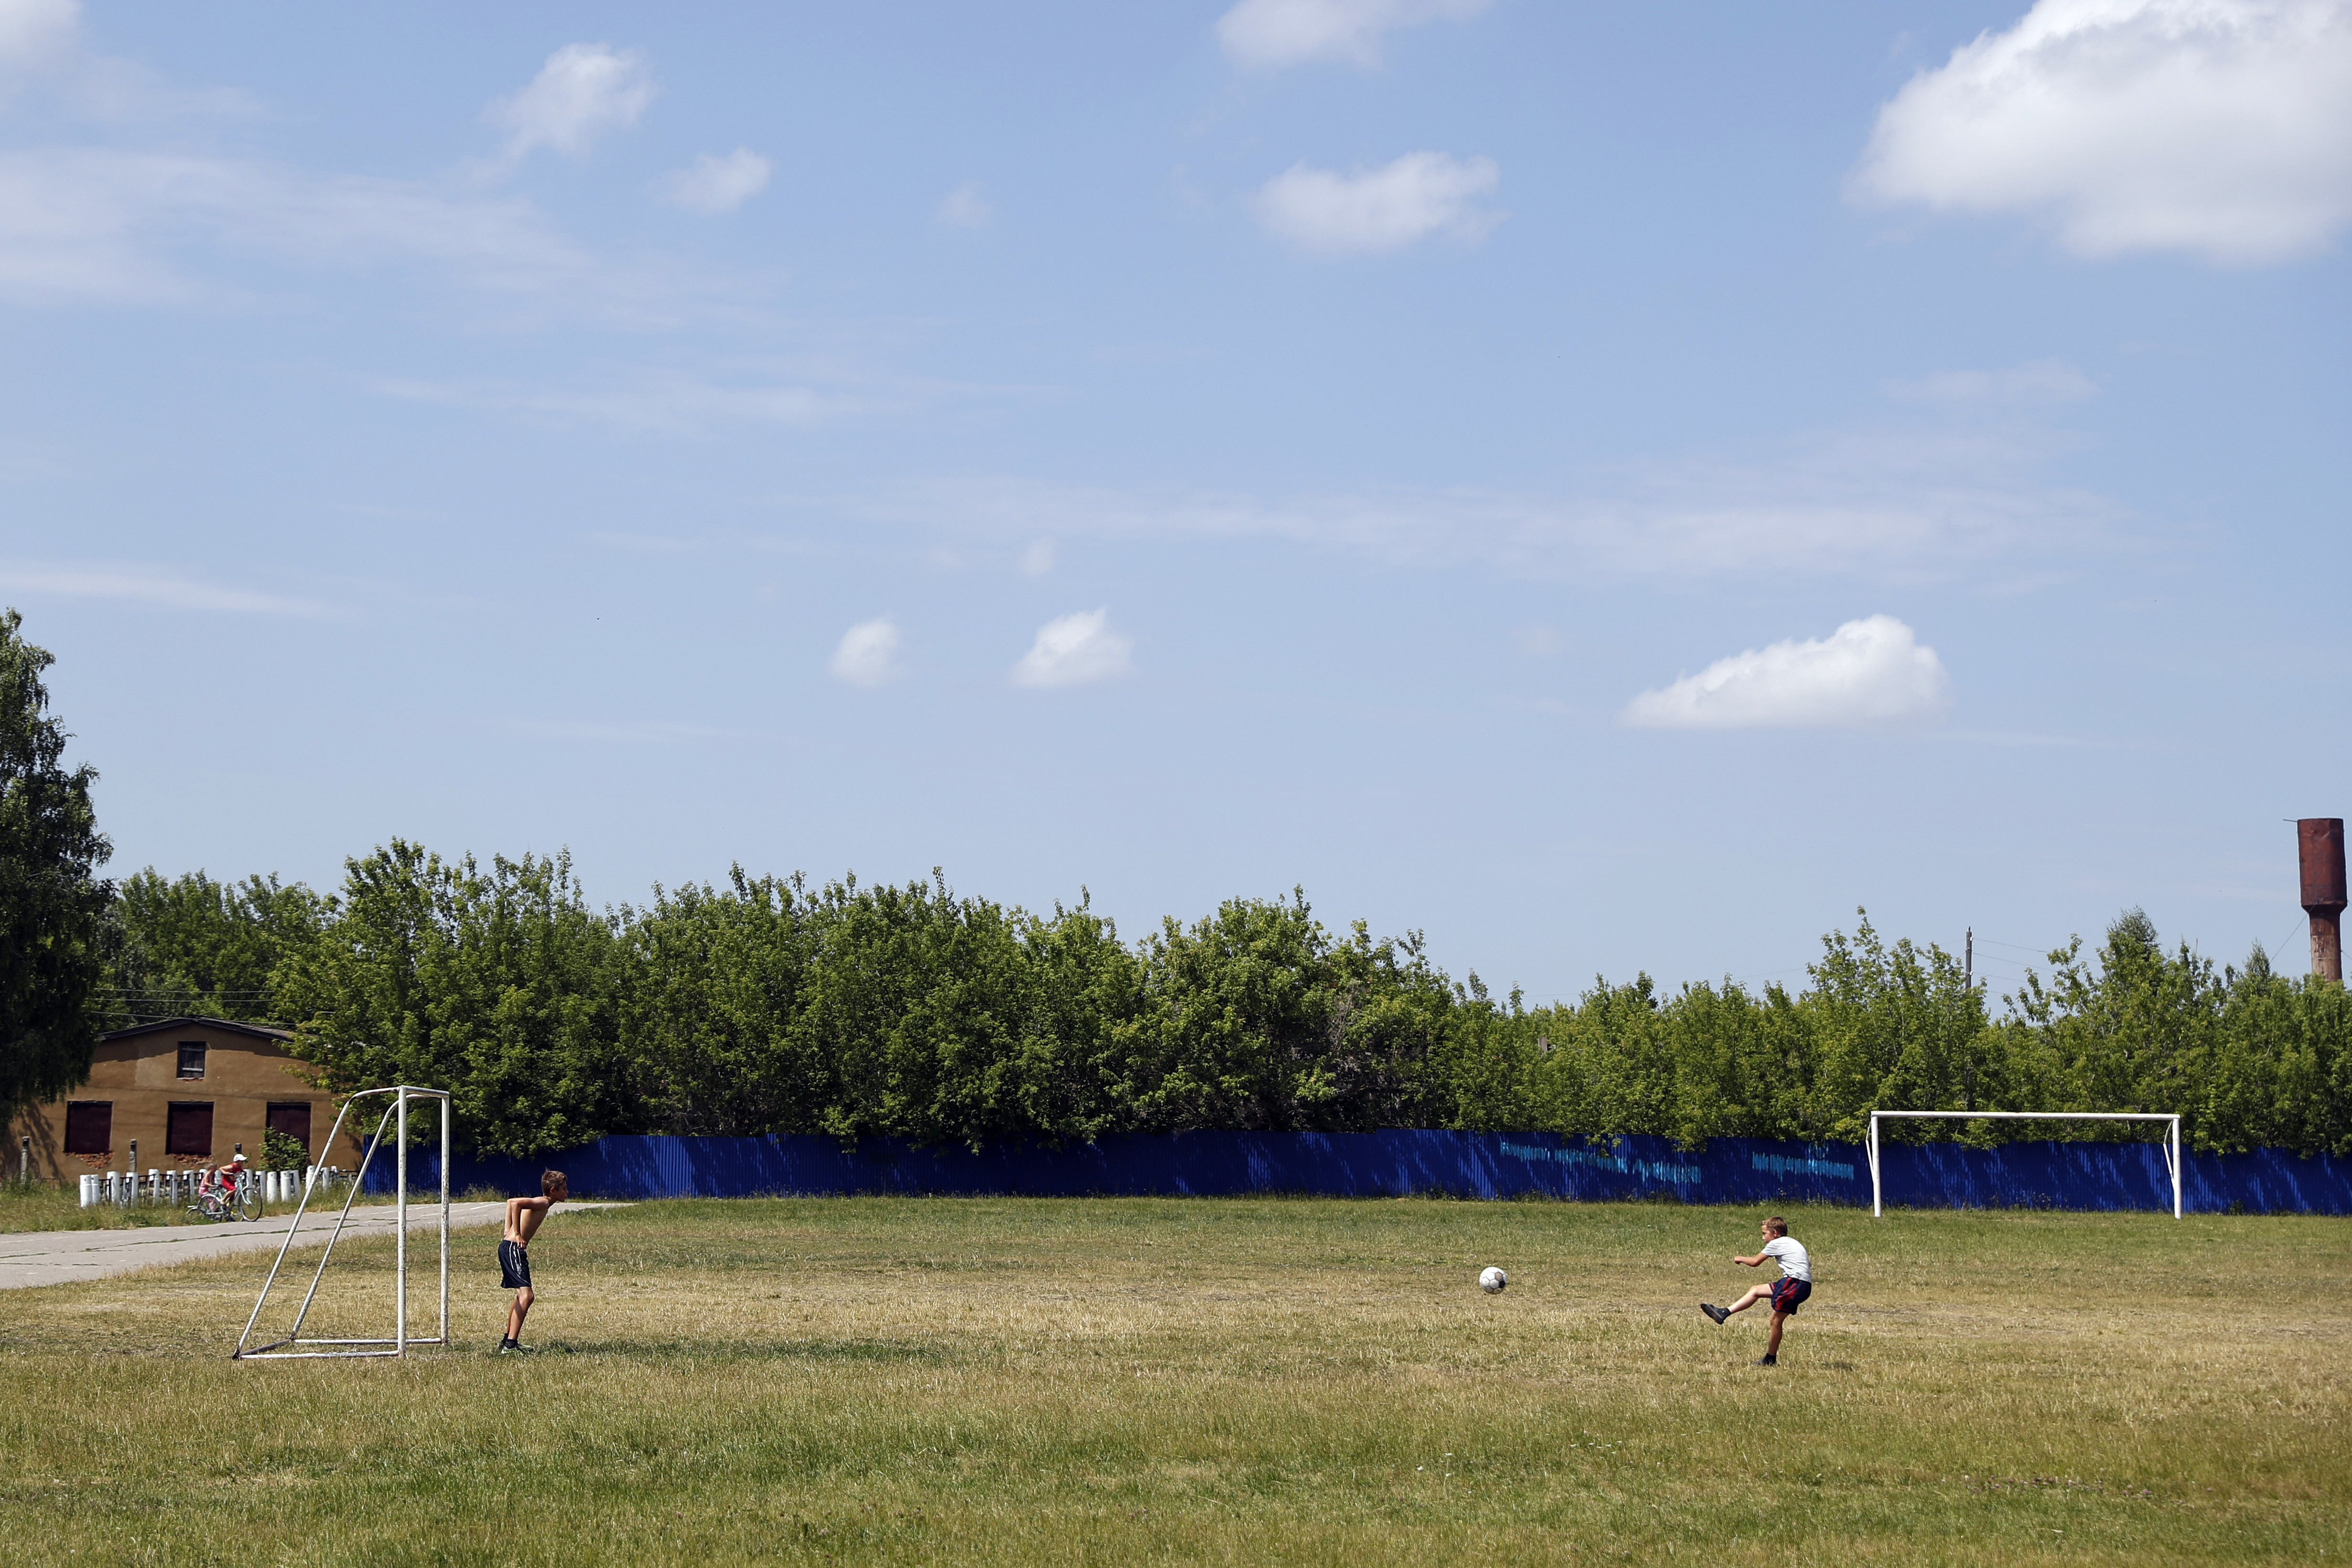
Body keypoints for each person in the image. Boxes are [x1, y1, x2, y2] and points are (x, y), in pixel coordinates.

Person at [1699, 1215, 1812, 1365]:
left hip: (1794, 1283)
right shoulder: (1791, 1242)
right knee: (1756, 1290)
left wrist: (1740, 1258)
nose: (1763, 1237)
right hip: (1797, 1283)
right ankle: (1724, 1313)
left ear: (1775, 1233)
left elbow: (1755, 1262)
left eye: (1765, 1234)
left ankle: (1770, 1359)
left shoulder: (1777, 1243)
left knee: (1775, 1321)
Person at [497, 1169, 567, 1354]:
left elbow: (511, 1202)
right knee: (527, 1297)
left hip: (510, 1248)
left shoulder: (544, 1203)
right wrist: (517, 1234)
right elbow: (516, 1204)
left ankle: (508, 1341)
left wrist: (507, 1230)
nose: (567, 1192)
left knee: (522, 1296)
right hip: (513, 1249)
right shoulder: (544, 1202)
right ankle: (510, 1346)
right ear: (553, 1191)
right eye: (564, 1189)